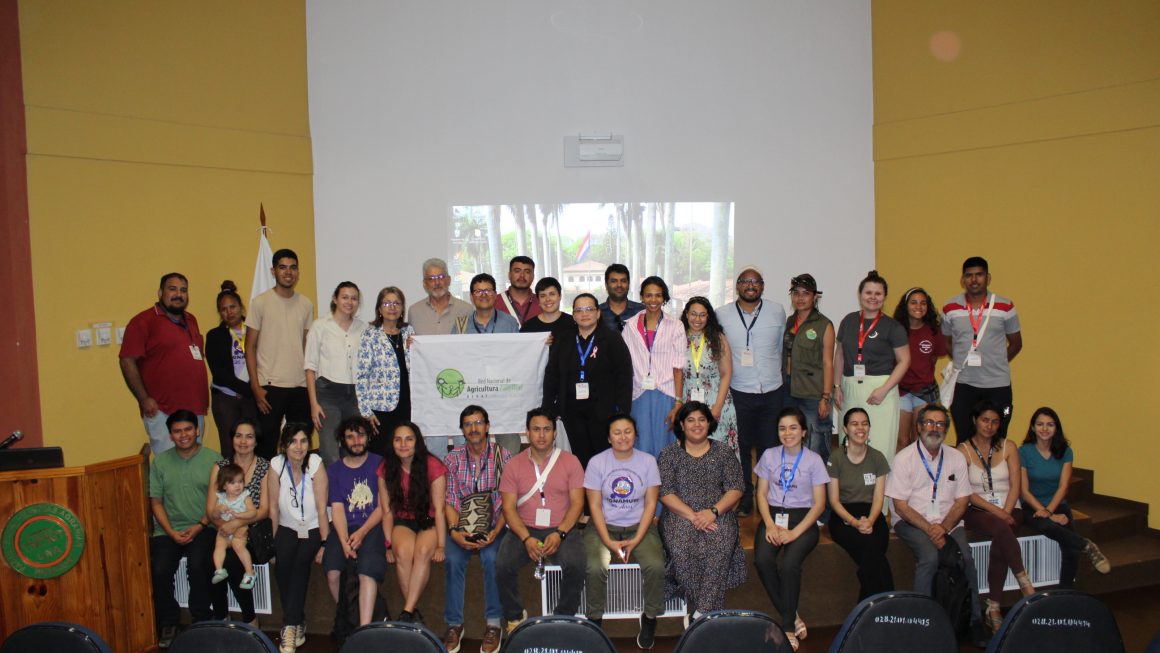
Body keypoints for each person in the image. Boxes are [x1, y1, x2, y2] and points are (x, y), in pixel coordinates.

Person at [886, 404, 988, 648]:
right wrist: (930, 528)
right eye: (929, 423)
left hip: (949, 522)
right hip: (911, 522)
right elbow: (900, 505)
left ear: (946, 429)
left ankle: (975, 620)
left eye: (940, 424)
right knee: (930, 557)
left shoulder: (955, 458)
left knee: (968, 559)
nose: (934, 428)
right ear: (919, 426)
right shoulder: (904, 459)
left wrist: (943, 527)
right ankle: (921, 622)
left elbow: (963, 500)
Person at [496, 410, 585, 635]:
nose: (541, 435)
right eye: (536, 429)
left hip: (562, 527)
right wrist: (525, 538)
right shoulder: (513, 465)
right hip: (523, 528)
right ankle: (515, 616)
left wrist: (561, 533)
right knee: (502, 566)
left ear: (555, 433)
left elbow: (577, 504)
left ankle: (563, 617)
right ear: (527, 433)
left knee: (576, 565)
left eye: (547, 429)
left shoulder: (571, 462)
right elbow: (508, 508)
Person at [583, 414, 665, 649]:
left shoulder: (648, 462)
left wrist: (637, 538)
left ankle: (650, 618)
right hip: (603, 527)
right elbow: (595, 506)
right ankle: (595, 621)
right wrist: (609, 542)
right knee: (595, 566)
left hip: (639, 527)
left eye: (627, 431)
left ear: (635, 435)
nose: (622, 437)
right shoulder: (597, 463)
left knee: (656, 566)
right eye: (617, 433)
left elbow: (651, 504)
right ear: (609, 438)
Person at [658, 402, 746, 619]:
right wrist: (694, 516)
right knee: (681, 545)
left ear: (709, 423)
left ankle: (701, 612)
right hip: (680, 514)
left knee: (721, 542)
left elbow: (736, 488)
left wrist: (712, 512)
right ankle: (707, 612)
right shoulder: (669, 454)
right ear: (681, 424)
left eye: (702, 419)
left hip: (718, 513)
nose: (697, 425)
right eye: (690, 420)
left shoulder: (724, 451)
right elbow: (666, 493)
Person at [753, 407, 828, 651]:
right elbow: (761, 494)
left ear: (804, 431)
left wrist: (795, 533)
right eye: (782, 428)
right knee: (763, 560)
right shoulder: (769, 455)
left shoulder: (814, 460)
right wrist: (769, 524)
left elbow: (819, 505)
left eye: (793, 427)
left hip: (803, 520)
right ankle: (793, 614)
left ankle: (786, 626)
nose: (787, 433)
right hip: (773, 516)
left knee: (789, 565)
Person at [958, 400, 1035, 633]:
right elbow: (967, 493)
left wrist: (1007, 511)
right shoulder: (962, 450)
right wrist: (998, 513)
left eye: (994, 422)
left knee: (1000, 539)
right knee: (1003, 529)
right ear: (974, 421)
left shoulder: (1009, 446)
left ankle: (993, 608)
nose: (989, 426)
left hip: (1011, 507)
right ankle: (1026, 585)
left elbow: (1015, 484)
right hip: (978, 510)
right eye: (984, 420)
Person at [441, 406, 513, 653]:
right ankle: (454, 624)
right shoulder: (452, 458)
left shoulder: (504, 456)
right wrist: (453, 532)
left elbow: (508, 503)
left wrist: (495, 532)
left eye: (478, 422)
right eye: (468, 424)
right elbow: (449, 500)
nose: (473, 428)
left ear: (488, 426)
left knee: (492, 558)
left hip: (494, 525)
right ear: (462, 430)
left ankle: (493, 625)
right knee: (451, 559)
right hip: (461, 526)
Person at [718, 265, 787, 517]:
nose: (750, 285)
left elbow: (779, 349)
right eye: (745, 281)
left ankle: (768, 496)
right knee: (743, 447)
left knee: (770, 446)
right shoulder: (721, 314)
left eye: (755, 281)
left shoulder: (777, 311)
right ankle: (746, 496)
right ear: (737, 286)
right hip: (739, 389)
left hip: (771, 389)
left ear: (762, 286)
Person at [148, 410, 220, 649]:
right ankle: (168, 622)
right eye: (177, 431)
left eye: (188, 429)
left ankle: (200, 619)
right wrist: (169, 531)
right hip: (167, 531)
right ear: (170, 435)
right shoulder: (160, 462)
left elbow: (219, 500)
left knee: (199, 565)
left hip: (204, 526)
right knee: (159, 569)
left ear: (197, 430)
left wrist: (200, 526)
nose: (183, 435)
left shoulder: (214, 459)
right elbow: (155, 501)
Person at [1018, 407, 1110, 588]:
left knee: (1070, 551)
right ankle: (1087, 545)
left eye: (1050, 424)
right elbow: (1024, 491)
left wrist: (1051, 510)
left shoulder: (1065, 451)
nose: (1045, 429)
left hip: (1057, 504)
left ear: (1056, 428)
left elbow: (1063, 487)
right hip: (1031, 505)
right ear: (1033, 427)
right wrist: (1047, 514)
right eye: (1040, 424)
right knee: (1046, 525)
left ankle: (1065, 592)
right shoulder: (1024, 451)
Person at [119, 273, 209, 454]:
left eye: (183, 290)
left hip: (195, 409)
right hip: (162, 410)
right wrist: (144, 399)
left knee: (194, 467)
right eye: (172, 289)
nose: (178, 294)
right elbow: (127, 361)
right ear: (160, 293)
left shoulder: (191, 320)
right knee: (169, 469)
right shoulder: (143, 321)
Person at [542, 293, 633, 467]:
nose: (584, 314)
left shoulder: (612, 339)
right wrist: (549, 407)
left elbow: (624, 375)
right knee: (581, 458)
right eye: (579, 310)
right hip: (572, 411)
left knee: (604, 458)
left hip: (604, 412)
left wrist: (621, 411)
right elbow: (551, 374)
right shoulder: (563, 339)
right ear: (574, 315)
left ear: (598, 313)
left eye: (589, 309)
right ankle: (584, 494)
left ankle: (604, 493)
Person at [941, 256, 1023, 440]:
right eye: (969, 275)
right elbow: (946, 341)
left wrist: (997, 361)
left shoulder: (1005, 306)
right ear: (963, 280)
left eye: (979, 275)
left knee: (998, 437)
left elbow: (1016, 343)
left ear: (988, 278)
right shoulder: (950, 307)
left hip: (998, 384)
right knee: (964, 438)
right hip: (963, 385)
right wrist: (961, 362)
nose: (974, 279)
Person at [834, 271, 910, 466]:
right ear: (860, 295)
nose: (873, 298)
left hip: (881, 389)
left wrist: (884, 390)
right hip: (850, 386)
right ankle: (850, 494)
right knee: (849, 442)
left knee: (880, 444)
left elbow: (904, 361)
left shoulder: (893, 327)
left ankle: (882, 496)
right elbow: (840, 354)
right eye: (868, 293)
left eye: (878, 294)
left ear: (884, 297)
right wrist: (836, 386)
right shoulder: (849, 321)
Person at [246, 248, 314, 458]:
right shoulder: (260, 302)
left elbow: (306, 345)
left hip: (300, 386)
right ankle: (266, 491)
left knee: (299, 447)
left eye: (293, 267)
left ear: (298, 272)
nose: (288, 272)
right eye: (283, 267)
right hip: (270, 387)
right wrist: (256, 387)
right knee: (266, 446)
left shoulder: (306, 304)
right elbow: (249, 347)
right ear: (273, 271)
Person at [377, 422, 448, 624]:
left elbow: (440, 509)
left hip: (429, 520)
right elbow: (387, 511)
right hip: (403, 520)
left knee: (424, 551)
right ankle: (412, 612)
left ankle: (407, 612)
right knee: (403, 553)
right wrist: (388, 545)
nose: (403, 444)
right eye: (398, 439)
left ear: (418, 442)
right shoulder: (385, 468)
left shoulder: (433, 465)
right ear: (392, 443)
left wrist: (442, 545)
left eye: (409, 439)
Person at [269, 423, 329, 653]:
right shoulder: (276, 464)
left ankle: (289, 627)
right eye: (293, 441)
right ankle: (297, 621)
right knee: (283, 563)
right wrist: (273, 543)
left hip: (313, 527)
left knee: (301, 563)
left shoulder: (315, 464)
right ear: (284, 444)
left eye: (303, 441)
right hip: (286, 526)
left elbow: (323, 508)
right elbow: (273, 508)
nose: (299, 446)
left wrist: (324, 542)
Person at [205, 419, 270, 626]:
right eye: (238, 436)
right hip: (221, 526)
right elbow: (210, 508)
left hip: (253, 529)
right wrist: (222, 524)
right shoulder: (220, 467)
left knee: (232, 560)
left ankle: (250, 618)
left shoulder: (264, 467)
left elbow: (264, 510)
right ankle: (221, 616)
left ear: (256, 441)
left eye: (249, 436)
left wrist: (237, 522)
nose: (243, 441)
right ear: (232, 438)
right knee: (210, 559)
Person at [324, 416, 386, 627]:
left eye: (360, 435)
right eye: (350, 437)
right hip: (344, 527)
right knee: (332, 573)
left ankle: (364, 628)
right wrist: (343, 540)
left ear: (368, 437)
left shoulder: (380, 463)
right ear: (343, 441)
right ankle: (350, 615)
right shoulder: (334, 470)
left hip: (372, 525)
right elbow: (338, 508)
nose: (356, 441)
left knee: (366, 570)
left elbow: (382, 507)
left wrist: (361, 533)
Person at [826, 408, 893, 602]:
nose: (860, 428)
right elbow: (834, 501)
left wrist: (870, 521)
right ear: (845, 429)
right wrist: (856, 523)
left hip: (872, 514)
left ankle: (866, 610)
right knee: (873, 554)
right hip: (843, 516)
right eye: (854, 424)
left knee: (871, 558)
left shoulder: (878, 458)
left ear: (869, 428)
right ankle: (886, 604)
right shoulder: (836, 458)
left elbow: (879, 498)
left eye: (864, 423)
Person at [623, 276, 686, 459]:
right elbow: (626, 363)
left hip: (666, 392)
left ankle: (667, 486)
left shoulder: (675, 326)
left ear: (664, 298)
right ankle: (644, 485)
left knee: (665, 445)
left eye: (658, 295)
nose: (653, 300)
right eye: (648, 295)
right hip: (639, 392)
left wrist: (678, 402)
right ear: (642, 297)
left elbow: (678, 367)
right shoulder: (630, 326)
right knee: (641, 444)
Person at [306, 282, 367, 465]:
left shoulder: (364, 329)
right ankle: (332, 493)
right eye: (345, 297)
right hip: (327, 393)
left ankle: (354, 492)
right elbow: (310, 367)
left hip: (356, 394)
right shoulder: (320, 326)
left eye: (354, 298)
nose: (349, 302)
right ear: (335, 299)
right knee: (330, 450)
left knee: (354, 447)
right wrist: (313, 404)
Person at [782, 274, 835, 463]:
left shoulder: (824, 325)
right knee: (791, 442)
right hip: (788, 389)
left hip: (813, 392)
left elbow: (829, 363)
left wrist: (826, 397)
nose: (800, 298)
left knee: (816, 445)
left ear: (815, 297)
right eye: (796, 293)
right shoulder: (789, 322)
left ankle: (821, 491)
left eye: (806, 293)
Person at [357, 286, 413, 457]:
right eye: (387, 303)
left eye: (397, 303)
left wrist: (413, 350)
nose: (392, 307)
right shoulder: (370, 335)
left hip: (406, 403)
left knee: (403, 454)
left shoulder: (409, 332)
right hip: (380, 408)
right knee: (381, 455)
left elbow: (415, 368)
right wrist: (366, 411)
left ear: (402, 308)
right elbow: (362, 375)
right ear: (379, 308)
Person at [205, 281, 259, 458]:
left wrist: (254, 390)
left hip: (252, 397)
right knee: (230, 447)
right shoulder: (214, 336)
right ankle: (230, 484)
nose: (229, 312)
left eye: (233, 307)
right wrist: (247, 390)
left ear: (241, 307)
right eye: (224, 309)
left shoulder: (255, 330)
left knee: (255, 444)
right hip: (226, 398)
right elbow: (219, 373)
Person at [893, 287, 948, 451]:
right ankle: (902, 475)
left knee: (921, 440)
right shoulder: (896, 330)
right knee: (902, 440)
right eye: (914, 302)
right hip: (901, 391)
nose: (919, 306)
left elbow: (934, 357)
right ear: (906, 305)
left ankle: (921, 476)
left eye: (923, 303)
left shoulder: (933, 330)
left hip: (924, 392)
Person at [680, 296, 737, 453]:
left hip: (716, 401)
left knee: (719, 450)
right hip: (688, 402)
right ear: (686, 314)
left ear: (708, 316)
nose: (697, 319)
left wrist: (717, 408)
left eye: (702, 314)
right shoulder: (678, 336)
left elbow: (726, 373)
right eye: (693, 314)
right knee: (691, 450)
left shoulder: (718, 338)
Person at [209, 463, 257, 590]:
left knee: (238, 545)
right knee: (219, 545)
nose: (238, 485)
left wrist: (239, 515)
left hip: (240, 528)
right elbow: (213, 516)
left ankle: (250, 573)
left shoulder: (244, 497)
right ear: (224, 486)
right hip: (224, 529)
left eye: (240, 481)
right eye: (233, 482)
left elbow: (253, 513)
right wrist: (218, 510)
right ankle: (219, 570)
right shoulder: (221, 498)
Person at [409, 258, 473, 335]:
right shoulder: (414, 312)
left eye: (441, 277)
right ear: (425, 284)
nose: (437, 282)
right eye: (431, 279)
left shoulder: (466, 310)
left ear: (449, 280)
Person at [451, 273, 520, 335]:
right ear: (471, 297)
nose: (484, 295)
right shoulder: (460, 326)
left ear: (495, 295)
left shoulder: (510, 323)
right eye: (478, 292)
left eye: (488, 291)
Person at [495, 256, 542, 327]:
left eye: (527, 272)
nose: (522, 275)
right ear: (509, 275)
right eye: (517, 271)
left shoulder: (542, 302)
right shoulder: (495, 302)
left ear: (533, 276)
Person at [598, 263, 644, 333]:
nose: (619, 285)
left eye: (623, 281)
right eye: (614, 281)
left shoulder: (642, 311)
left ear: (628, 285)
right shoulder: (596, 313)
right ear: (606, 285)